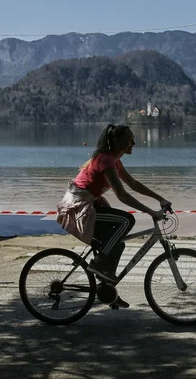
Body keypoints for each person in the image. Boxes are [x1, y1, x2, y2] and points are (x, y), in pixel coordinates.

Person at [56, 124, 170, 308]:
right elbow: (122, 194)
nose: (134, 142)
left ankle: (108, 290)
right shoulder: (106, 160)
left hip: (90, 203)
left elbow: (133, 184)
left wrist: (161, 199)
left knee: (118, 243)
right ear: (117, 141)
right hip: (78, 207)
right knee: (126, 220)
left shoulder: (115, 160)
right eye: (130, 139)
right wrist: (151, 212)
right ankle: (98, 263)